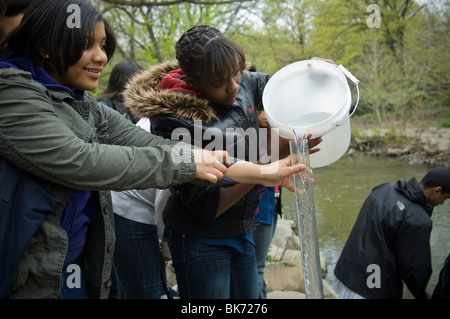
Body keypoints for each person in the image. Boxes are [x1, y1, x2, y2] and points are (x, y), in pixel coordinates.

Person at [0, 1, 304, 299]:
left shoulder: (82, 103)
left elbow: (150, 145)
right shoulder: (12, 94)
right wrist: (202, 164)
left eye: (103, 45)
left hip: (74, 259)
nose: (101, 57)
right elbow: (82, 160)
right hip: (32, 272)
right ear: (44, 47)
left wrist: (267, 170)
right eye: (85, 45)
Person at [124, 25, 322, 299]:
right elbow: (207, 206)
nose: (234, 87)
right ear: (192, 81)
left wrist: (312, 73)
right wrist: (266, 171)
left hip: (242, 229)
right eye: (219, 82)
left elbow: (283, 87)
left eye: (236, 73)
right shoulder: (170, 119)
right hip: (201, 239)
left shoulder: (244, 84)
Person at [333, 167, 450, 299]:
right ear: (437, 190)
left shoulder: (383, 189)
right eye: (445, 199)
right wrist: (423, 295)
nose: (442, 203)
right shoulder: (418, 219)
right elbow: (415, 269)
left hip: (345, 275)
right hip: (372, 289)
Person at [253, 110, 284, 299]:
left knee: (259, 265)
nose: (265, 114)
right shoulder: (245, 134)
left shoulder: (274, 133)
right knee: (256, 266)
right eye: (259, 109)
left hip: (272, 204)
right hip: (258, 207)